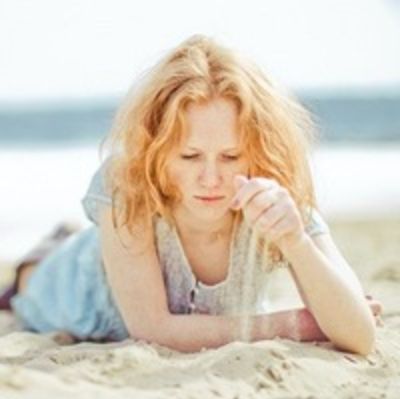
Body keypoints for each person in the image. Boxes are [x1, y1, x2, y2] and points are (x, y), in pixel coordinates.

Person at [1, 34, 382, 354]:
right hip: (74, 284)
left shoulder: (277, 193)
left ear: (259, 151)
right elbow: (152, 329)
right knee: (29, 286)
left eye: (231, 156)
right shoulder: (130, 182)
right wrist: (291, 324)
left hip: (119, 253)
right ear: (155, 151)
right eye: (190, 156)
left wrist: (296, 241)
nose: (211, 179)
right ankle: (48, 251)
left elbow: (360, 336)